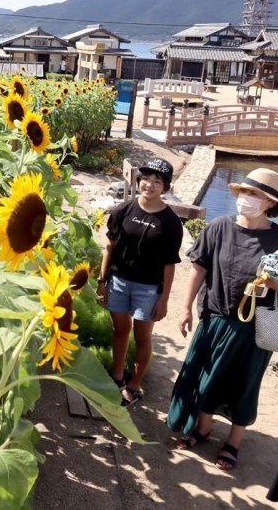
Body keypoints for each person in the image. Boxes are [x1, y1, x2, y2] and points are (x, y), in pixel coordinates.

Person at [168, 168, 278, 471]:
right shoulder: (218, 227)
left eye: (255, 194)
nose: (247, 198)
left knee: (244, 384)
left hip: (255, 329)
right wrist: (186, 308)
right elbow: (198, 270)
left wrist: (273, 284)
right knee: (207, 377)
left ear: (269, 203)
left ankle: (233, 442)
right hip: (214, 318)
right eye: (245, 191)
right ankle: (203, 430)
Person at [97, 158, 183, 406]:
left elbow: (169, 264)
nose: (150, 185)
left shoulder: (171, 223)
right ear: (138, 181)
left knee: (143, 336)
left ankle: (134, 385)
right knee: (120, 330)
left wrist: (164, 299)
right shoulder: (122, 210)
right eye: (146, 179)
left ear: (165, 188)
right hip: (119, 282)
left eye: (158, 181)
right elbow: (109, 247)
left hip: (148, 289)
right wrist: (102, 281)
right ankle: (117, 377)